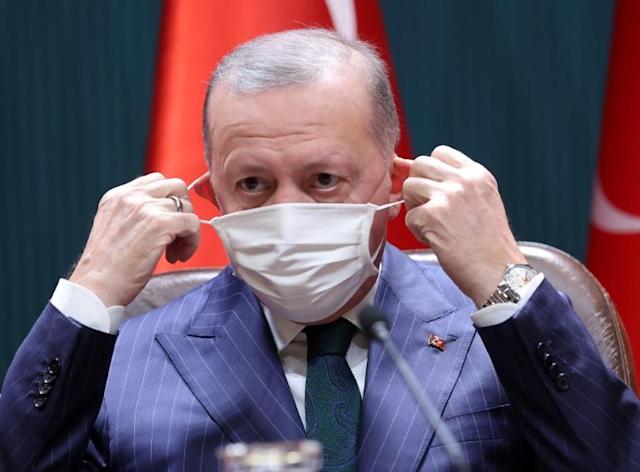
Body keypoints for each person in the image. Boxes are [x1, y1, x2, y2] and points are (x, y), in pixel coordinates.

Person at [1, 28, 638, 471]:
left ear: (394, 181)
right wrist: (88, 296)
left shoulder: (501, 331)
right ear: (212, 195)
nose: (288, 213)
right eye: (253, 184)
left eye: (324, 179)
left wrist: (504, 278)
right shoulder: (123, 359)